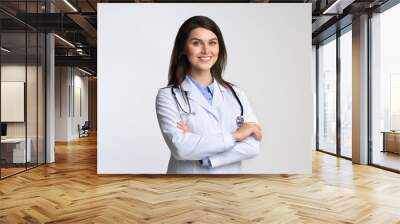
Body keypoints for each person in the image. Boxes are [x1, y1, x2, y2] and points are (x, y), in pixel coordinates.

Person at [156, 16, 262, 174]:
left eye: (212, 42)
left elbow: (252, 146)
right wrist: (236, 136)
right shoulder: (168, 96)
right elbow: (181, 148)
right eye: (196, 43)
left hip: (229, 186)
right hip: (185, 187)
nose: (206, 50)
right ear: (184, 48)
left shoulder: (236, 93)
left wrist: (209, 158)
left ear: (220, 47)